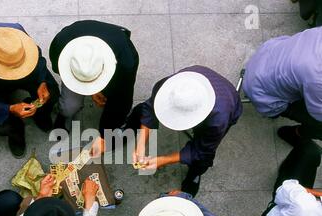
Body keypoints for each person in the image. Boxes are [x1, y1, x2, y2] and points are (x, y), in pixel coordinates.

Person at [127, 66, 243, 197]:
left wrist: (163, 160)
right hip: (207, 84)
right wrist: (141, 144)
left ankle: (195, 174)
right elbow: (150, 107)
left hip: (226, 106)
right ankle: (128, 126)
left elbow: (201, 150)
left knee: (203, 157)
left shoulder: (219, 119)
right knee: (141, 110)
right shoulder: (173, 86)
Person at [0, 23, 60, 158]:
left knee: (51, 91)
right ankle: (17, 133)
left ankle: (40, 113)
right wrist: (10, 108)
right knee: (4, 124)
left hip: (25, 72)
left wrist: (42, 81)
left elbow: (38, 58)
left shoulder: (17, 34)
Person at [49, 20, 139, 157]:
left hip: (116, 68)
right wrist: (93, 88)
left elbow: (121, 103)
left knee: (114, 104)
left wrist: (104, 136)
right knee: (69, 106)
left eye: (92, 82)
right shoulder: (61, 42)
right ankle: (64, 114)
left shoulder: (127, 62)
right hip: (78, 70)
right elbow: (58, 69)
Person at [243, 27, 322, 146]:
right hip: (262, 93)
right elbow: (318, 114)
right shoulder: (317, 78)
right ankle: (294, 134)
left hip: (268, 54)